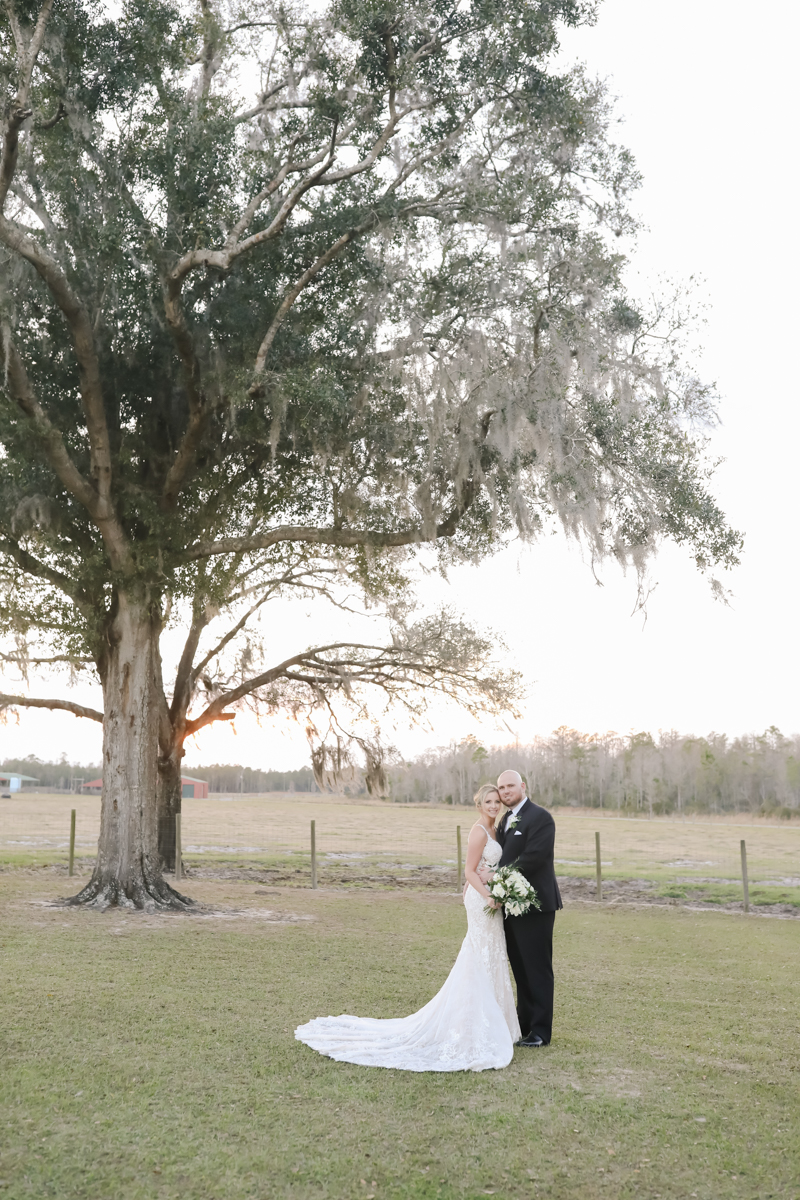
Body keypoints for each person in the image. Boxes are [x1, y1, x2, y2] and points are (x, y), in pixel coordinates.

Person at [294, 785, 521, 1071]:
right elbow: (468, 871)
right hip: (481, 901)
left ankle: (498, 1023)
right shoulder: (478, 831)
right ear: (479, 805)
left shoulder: (496, 829)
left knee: (494, 953)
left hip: (492, 898)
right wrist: (487, 894)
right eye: (488, 802)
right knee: (480, 954)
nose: (493, 806)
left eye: (496, 801)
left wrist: (497, 881)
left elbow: (490, 866)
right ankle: (473, 1025)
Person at [479, 769, 562, 1047]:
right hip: (511, 905)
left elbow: (534, 857)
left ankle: (540, 1032)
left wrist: (496, 874)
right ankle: (523, 1024)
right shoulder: (505, 820)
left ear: (523, 786)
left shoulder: (541, 818)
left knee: (537, 968)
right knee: (520, 968)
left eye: (510, 786)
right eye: (501, 788)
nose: (505, 792)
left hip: (536, 906)